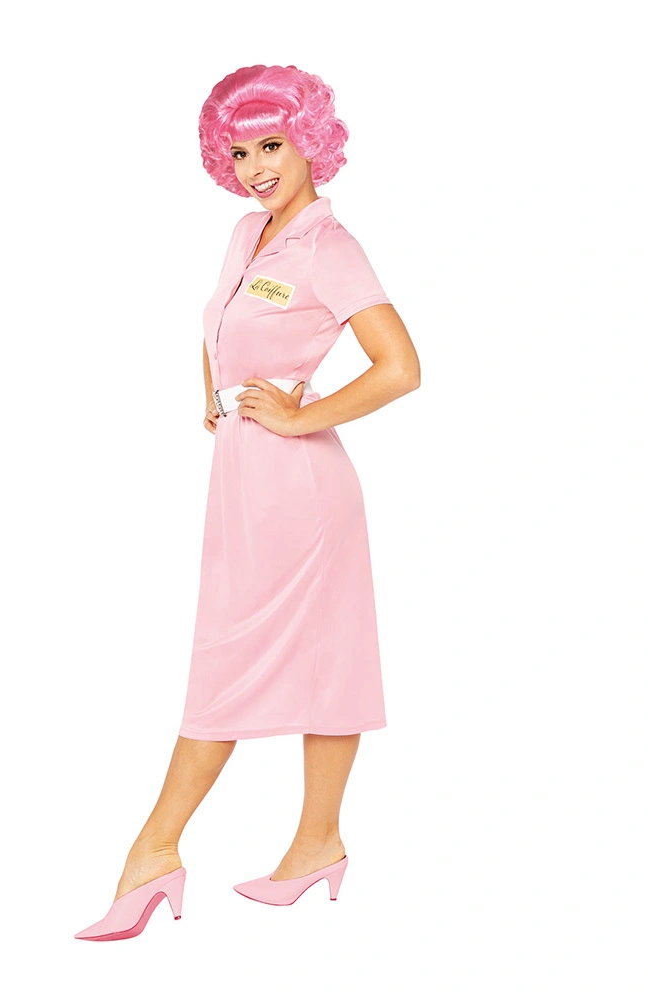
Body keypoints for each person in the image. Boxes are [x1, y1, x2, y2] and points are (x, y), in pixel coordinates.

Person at [75, 63, 420, 941]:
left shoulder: (330, 247)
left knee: (237, 662)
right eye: (239, 152)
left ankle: (154, 849)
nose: (256, 167)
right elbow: (219, 325)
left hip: (299, 487)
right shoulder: (247, 232)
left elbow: (400, 367)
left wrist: (301, 416)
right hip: (243, 473)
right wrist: (217, 396)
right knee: (310, 655)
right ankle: (318, 844)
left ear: (310, 143)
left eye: (271, 145)